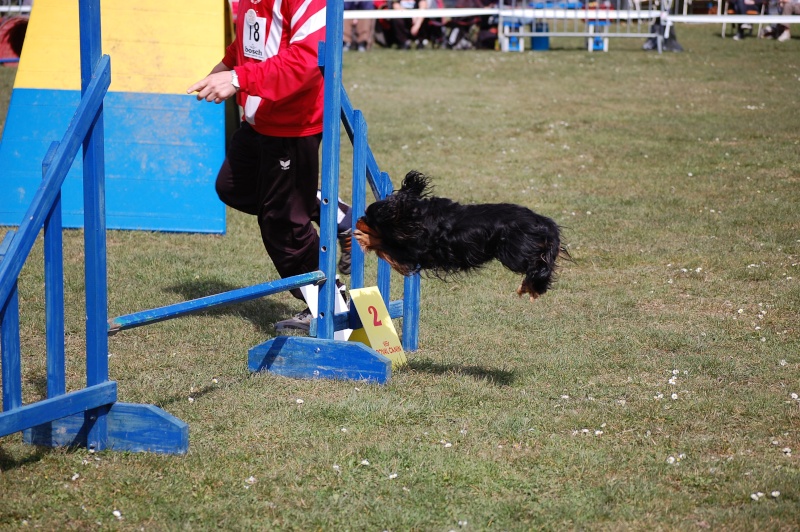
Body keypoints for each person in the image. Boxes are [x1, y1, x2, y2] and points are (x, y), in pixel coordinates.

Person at [187, 0, 344, 332]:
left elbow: (305, 60)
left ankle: (330, 304)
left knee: (283, 226)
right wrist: (226, 67)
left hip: (291, 123)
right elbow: (247, 41)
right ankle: (326, 208)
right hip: (258, 119)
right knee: (232, 185)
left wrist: (239, 77)